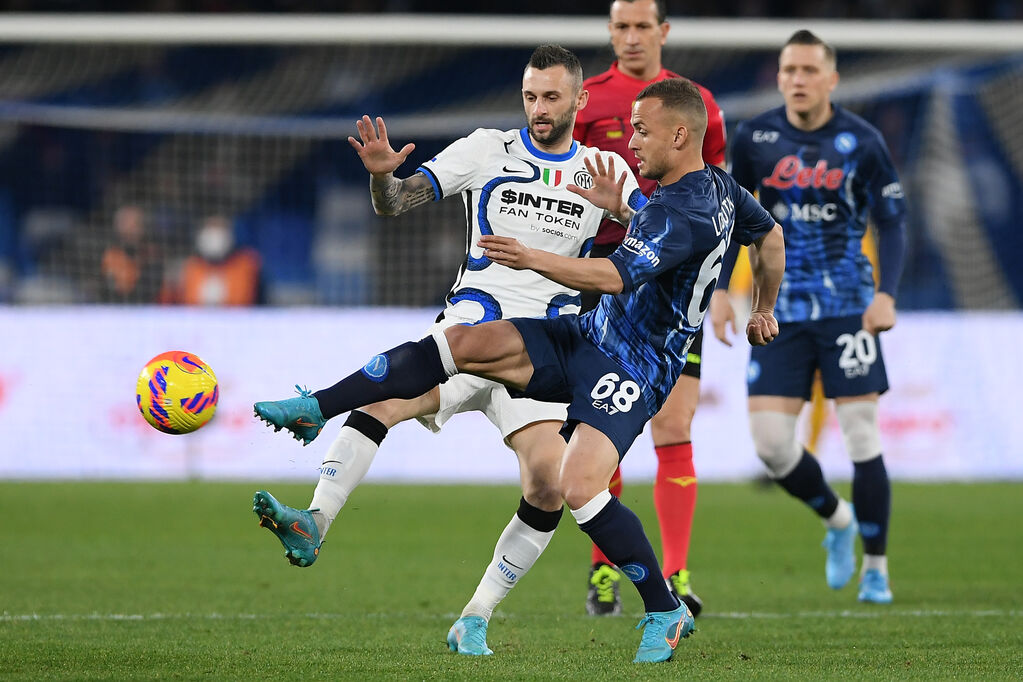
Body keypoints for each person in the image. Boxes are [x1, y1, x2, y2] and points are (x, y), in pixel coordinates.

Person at [254, 77, 785, 663]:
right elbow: (769, 235)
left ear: (680, 134)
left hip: (632, 367)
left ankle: (662, 607)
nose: (630, 140)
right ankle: (316, 408)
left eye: (641, 129)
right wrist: (764, 307)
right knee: (462, 343)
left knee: (572, 487)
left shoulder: (680, 207)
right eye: (531, 95)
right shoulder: (714, 190)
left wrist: (534, 257)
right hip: (584, 333)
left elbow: (615, 275)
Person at [250, 45, 642, 657]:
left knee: (546, 485)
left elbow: (650, 251)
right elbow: (399, 202)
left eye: (552, 97)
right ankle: (314, 520)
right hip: (475, 320)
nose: (539, 109)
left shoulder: (604, 168)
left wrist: (626, 210)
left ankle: (475, 617)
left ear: (580, 100)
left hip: (545, 351)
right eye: (531, 96)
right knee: (386, 402)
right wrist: (383, 176)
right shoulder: (487, 148)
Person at [709, 30, 907, 604]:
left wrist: (886, 294)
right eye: (788, 69)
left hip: (849, 309)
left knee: (862, 434)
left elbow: (892, 220)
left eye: (808, 69)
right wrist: (721, 289)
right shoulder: (756, 138)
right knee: (772, 447)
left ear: (831, 78)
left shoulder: (862, 141)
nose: (797, 78)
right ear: (780, 77)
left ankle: (877, 567)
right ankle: (838, 519)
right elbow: (729, 216)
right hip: (778, 311)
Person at [571, 0, 727, 618]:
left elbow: (723, 198)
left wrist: (729, 286)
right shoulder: (587, 100)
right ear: (610, 33)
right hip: (602, 279)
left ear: (663, 32)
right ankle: (604, 572)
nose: (631, 37)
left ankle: (677, 571)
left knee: (674, 428)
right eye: (621, 27)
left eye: (642, 26)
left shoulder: (697, 105)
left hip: (675, 288)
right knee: (600, 427)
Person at [161, 214, 265, 305]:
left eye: (219, 228)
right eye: (210, 227)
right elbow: (166, 306)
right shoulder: (189, 267)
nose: (214, 234)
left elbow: (245, 300)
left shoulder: (245, 264)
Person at [99, 204, 163, 303]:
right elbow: (102, 288)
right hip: (111, 309)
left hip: (144, 310)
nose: (128, 227)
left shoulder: (151, 253)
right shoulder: (108, 252)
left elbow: (151, 289)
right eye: (124, 222)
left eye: (133, 223)